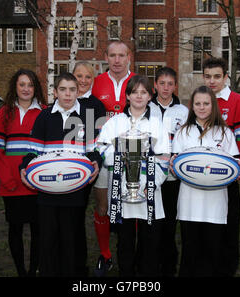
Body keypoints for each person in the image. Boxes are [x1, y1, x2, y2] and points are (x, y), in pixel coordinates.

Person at [19, 73, 101, 277]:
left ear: (78, 92)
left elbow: (93, 151)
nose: (68, 94)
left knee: (72, 236)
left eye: (72, 89)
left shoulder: (86, 116)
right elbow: (33, 152)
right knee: (48, 237)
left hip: (74, 188)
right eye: (63, 89)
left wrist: (97, 163)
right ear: (55, 92)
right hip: (47, 188)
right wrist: (24, 166)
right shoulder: (44, 117)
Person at [97, 75, 170, 276]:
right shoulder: (114, 123)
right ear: (127, 95)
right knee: (125, 244)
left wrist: (152, 184)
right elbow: (102, 148)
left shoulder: (157, 124)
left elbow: (164, 157)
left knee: (150, 245)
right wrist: (122, 157)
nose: (139, 96)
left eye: (144, 92)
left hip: (149, 192)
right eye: (134, 92)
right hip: (121, 191)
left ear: (149, 96)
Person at [171, 86, 240, 277]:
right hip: (189, 204)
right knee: (190, 253)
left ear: (213, 105)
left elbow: (235, 161)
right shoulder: (182, 133)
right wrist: (173, 164)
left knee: (213, 253)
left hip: (216, 205)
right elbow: (176, 163)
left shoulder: (225, 133)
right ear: (192, 106)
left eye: (206, 103)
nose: (202, 107)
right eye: (197, 104)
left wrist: (239, 166)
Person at [0, 69, 47, 276]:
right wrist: (7, 180)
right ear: (15, 86)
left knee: (37, 230)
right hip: (12, 184)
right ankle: (21, 271)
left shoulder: (44, 112)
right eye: (22, 84)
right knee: (15, 229)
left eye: (30, 85)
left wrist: (41, 179)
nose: (26, 89)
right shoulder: (4, 112)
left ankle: (33, 270)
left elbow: (48, 149)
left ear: (36, 89)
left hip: (37, 184)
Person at [202, 57, 240, 276]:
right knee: (206, 226)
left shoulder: (238, 101)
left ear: (225, 77)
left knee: (229, 226)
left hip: (227, 176)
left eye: (216, 77)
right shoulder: (200, 100)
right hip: (203, 175)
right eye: (207, 76)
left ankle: (227, 268)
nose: (212, 81)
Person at [91, 41, 136, 276]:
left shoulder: (138, 82)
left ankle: (129, 254)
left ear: (129, 57)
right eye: (112, 55)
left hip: (133, 155)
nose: (117, 60)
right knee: (102, 206)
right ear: (105, 57)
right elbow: (87, 116)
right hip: (104, 155)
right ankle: (106, 255)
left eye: (121, 55)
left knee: (132, 205)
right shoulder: (96, 83)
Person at [148, 67, 189, 277]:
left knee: (170, 222)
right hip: (151, 176)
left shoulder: (183, 112)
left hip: (173, 177)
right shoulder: (146, 107)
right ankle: (150, 266)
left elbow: (187, 142)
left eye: (170, 84)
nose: (165, 88)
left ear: (175, 86)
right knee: (152, 223)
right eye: (161, 83)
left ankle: (169, 267)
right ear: (155, 85)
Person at [72, 62, 106, 275]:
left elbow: (97, 140)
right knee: (71, 218)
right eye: (79, 76)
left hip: (87, 168)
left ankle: (80, 263)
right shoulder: (63, 100)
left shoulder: (96, 105)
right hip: (65, 167)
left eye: (87, 77)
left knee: (79, 215)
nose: (83, 80)